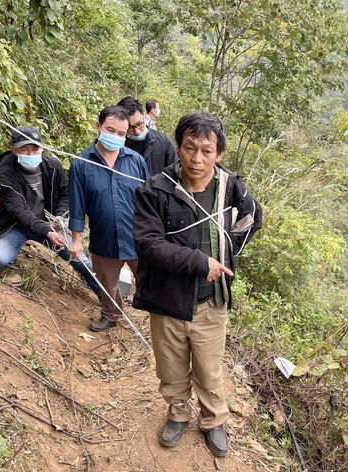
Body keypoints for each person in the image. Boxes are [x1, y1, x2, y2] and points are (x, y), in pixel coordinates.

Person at [132, 111, 262, 457]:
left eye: (207, 151)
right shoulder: (155, 189)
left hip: (210, 302)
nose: (197, 159)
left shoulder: (232, 187)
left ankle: (213, 419)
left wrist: (230, 251)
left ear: (219, 154)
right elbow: (147, 244)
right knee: (170, 366)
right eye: (190, 148)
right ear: (179, 147)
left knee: (209, 366)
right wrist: (200, 261)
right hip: (167, 299)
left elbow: (253, 218)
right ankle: (177, 413)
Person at [0, 125, 101, 299]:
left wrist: (59, 216)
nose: (31, 155)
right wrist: (46, 231)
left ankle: (106, 298)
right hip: (15, 226)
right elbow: (18, 210)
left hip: (50, 225)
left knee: (81, 260)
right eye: (24, 150)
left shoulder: (52, 166)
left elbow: (65, 195)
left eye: (35, 148)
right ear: (13, 150)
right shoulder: (3, 172)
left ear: (42, 148)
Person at [68, 106, 150, 331]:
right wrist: (76, 240)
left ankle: (157, 319)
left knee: (150, 280)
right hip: (104, 238)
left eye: (121, 134)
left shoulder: (136, 161)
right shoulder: (81, 164)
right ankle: (110, 315)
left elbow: (150, 200)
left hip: (138, 237)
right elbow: (76, 206)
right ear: (98, 126)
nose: (115, 137)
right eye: (110, 130)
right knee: (107, 283)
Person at [118, 96, 177, 177]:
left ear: (145, 116)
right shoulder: (119, 147)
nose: (137, 131)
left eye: (139, 124)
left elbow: (175, 175)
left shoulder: (164, 142)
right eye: (130, 128)